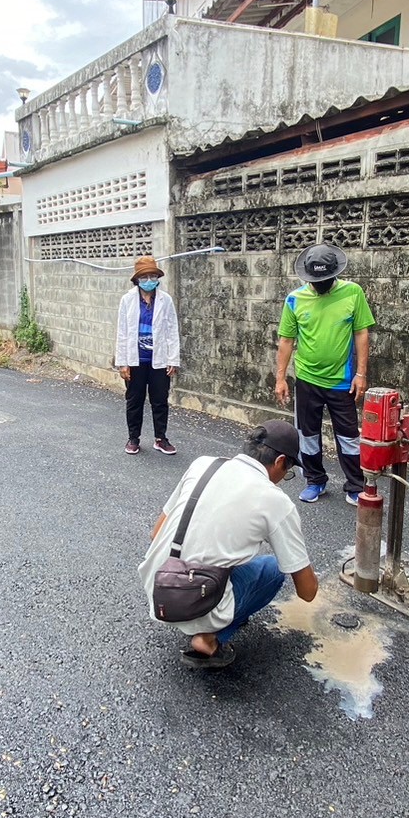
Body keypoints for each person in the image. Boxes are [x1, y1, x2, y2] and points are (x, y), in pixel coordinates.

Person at [138, 420, 319, 669]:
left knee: (219, 554)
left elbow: (156, 533)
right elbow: (307, 592)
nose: (281, 479)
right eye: (286, 473)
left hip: (157, 587)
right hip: (194, 597)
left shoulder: (203, 464)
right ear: (279, 462)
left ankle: (206, 617)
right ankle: (209, 637)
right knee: (272, 568)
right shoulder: (275, 500)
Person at [274, 242, 375, 506]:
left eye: (324, 279)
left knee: (349, 437)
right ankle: (315, 480)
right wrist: (281, 378)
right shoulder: (295, 299)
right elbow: (286, 340)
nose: (319, 284)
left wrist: (361, 374)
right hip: (307, 379)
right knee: (307, 435)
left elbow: (361, 333)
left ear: (334, 274)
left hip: (342, 382)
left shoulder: (353, 293)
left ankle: (355, 485)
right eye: (314, 280)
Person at [114, 255, 181, 456]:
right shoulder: (127, 300)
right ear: (137, 279)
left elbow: (172, 330)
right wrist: (122, 363)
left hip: (159, 360)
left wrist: (173, 359)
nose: (150, 280)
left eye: (153, 276)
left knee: (160, 400)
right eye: (145, 276)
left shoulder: (165, 300)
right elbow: (122, 332)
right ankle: (133, 438)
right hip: (136, 360)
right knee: (134, 400)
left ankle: (161, 438)